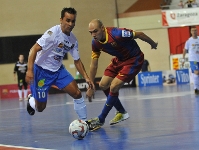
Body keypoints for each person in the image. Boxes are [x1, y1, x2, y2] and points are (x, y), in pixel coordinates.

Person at [86, 19, 158, 131]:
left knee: (114, 86)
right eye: (90, 32)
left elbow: (140, 34)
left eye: (95, 31)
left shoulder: (117, 33)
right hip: (119, 60)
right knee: (103, 85)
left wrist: (152, 43)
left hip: (134, 59)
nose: (93, 35)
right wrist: (91, 86)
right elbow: (93, 65)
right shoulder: (95, 43)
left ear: (102, 28)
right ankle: (121, 112)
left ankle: (101, 119)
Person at [25, 7, 95, 122]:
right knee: (40, 108)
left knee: (77, 93)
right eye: (68, 20)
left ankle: (83, 123)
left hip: (58, 71)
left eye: (73, 21)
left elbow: (77, 60)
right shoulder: (52, 34)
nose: (70, 24)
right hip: (41, 72)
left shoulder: (73, 40)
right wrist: (29, 70)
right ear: (61, 20)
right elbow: (33, 49)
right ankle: (31, 99)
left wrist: (86, 78)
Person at [182, 26, 199, 95]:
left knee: (197, 74)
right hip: (193, 60)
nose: (194, 32)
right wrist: (183, 59)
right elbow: (185, 50)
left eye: (195, 30)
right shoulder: (189, 41)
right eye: (193, 31)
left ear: (197, 31)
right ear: (191, 32)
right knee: (196, 72)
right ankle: (196, 88)